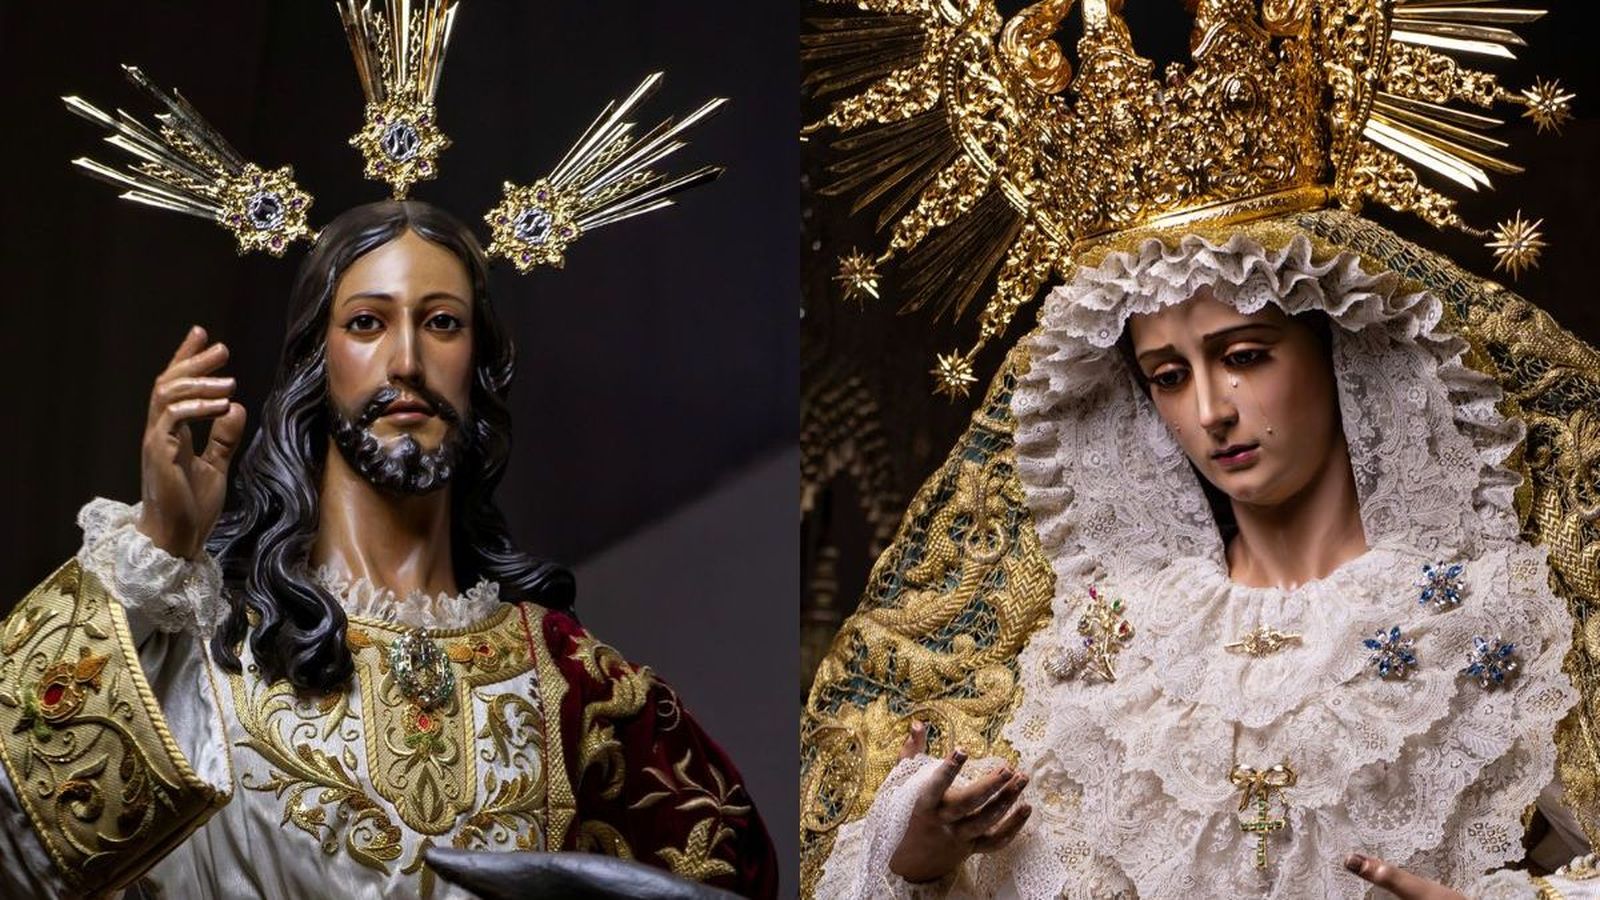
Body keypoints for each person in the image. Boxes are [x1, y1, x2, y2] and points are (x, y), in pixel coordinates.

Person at [796, 1, 1600, 896]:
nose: (1212, 411)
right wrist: (921, 860)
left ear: (1342, 353)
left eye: (1244, 357)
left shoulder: (1490, 614)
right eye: (1168, 376)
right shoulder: (1108, 644)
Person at [0, 199, 777, 900]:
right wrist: (160, 546)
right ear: (319, 359)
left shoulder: (578, 688)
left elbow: (725, 877)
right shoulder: (205, 646)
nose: (406, 359)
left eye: (442, 322)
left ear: (479, 361)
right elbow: (19, 818)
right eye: (367, 323)